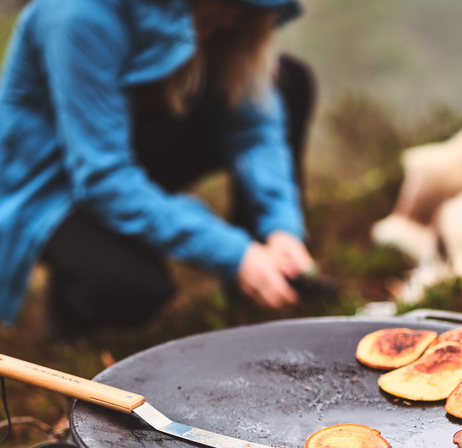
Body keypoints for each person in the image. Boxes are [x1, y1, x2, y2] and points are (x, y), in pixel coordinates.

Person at [0, 0, 315, 338]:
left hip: (130, 148)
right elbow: (105, 176)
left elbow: (252, 128)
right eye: (228, 6)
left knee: (288, 81)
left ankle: (265, 277)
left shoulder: (222, 21)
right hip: (53, 185)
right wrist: (233, 252)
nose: (232, 18)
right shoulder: (76, 13)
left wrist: (282, 226)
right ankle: (71, 316)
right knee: (130, 288)